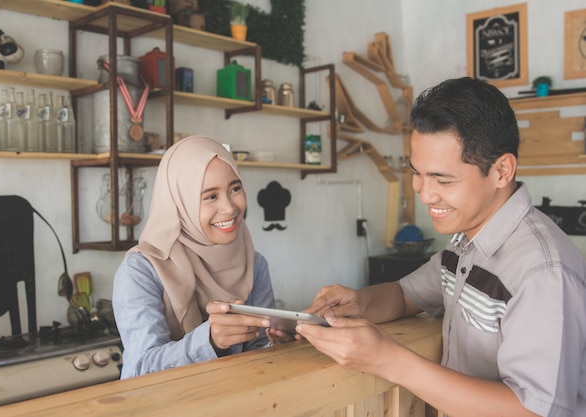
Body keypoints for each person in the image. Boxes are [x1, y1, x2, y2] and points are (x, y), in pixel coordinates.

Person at [298, 77, 586, 417]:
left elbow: (535, 412)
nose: (424, 193)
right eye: (417, 173)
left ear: (501, 171)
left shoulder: (544, 272)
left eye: (443, 180)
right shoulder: (465, 241)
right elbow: (407, 295)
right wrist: (358, 303)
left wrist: (390, 360)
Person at [113, 135, 289, 379]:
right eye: (210, 196)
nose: (230, 207)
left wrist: (280, 345)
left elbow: (258, 351)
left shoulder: (254, 264)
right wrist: (210, 340)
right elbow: (142, 367)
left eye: (235, 189)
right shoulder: (142, 270)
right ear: (179, 203)